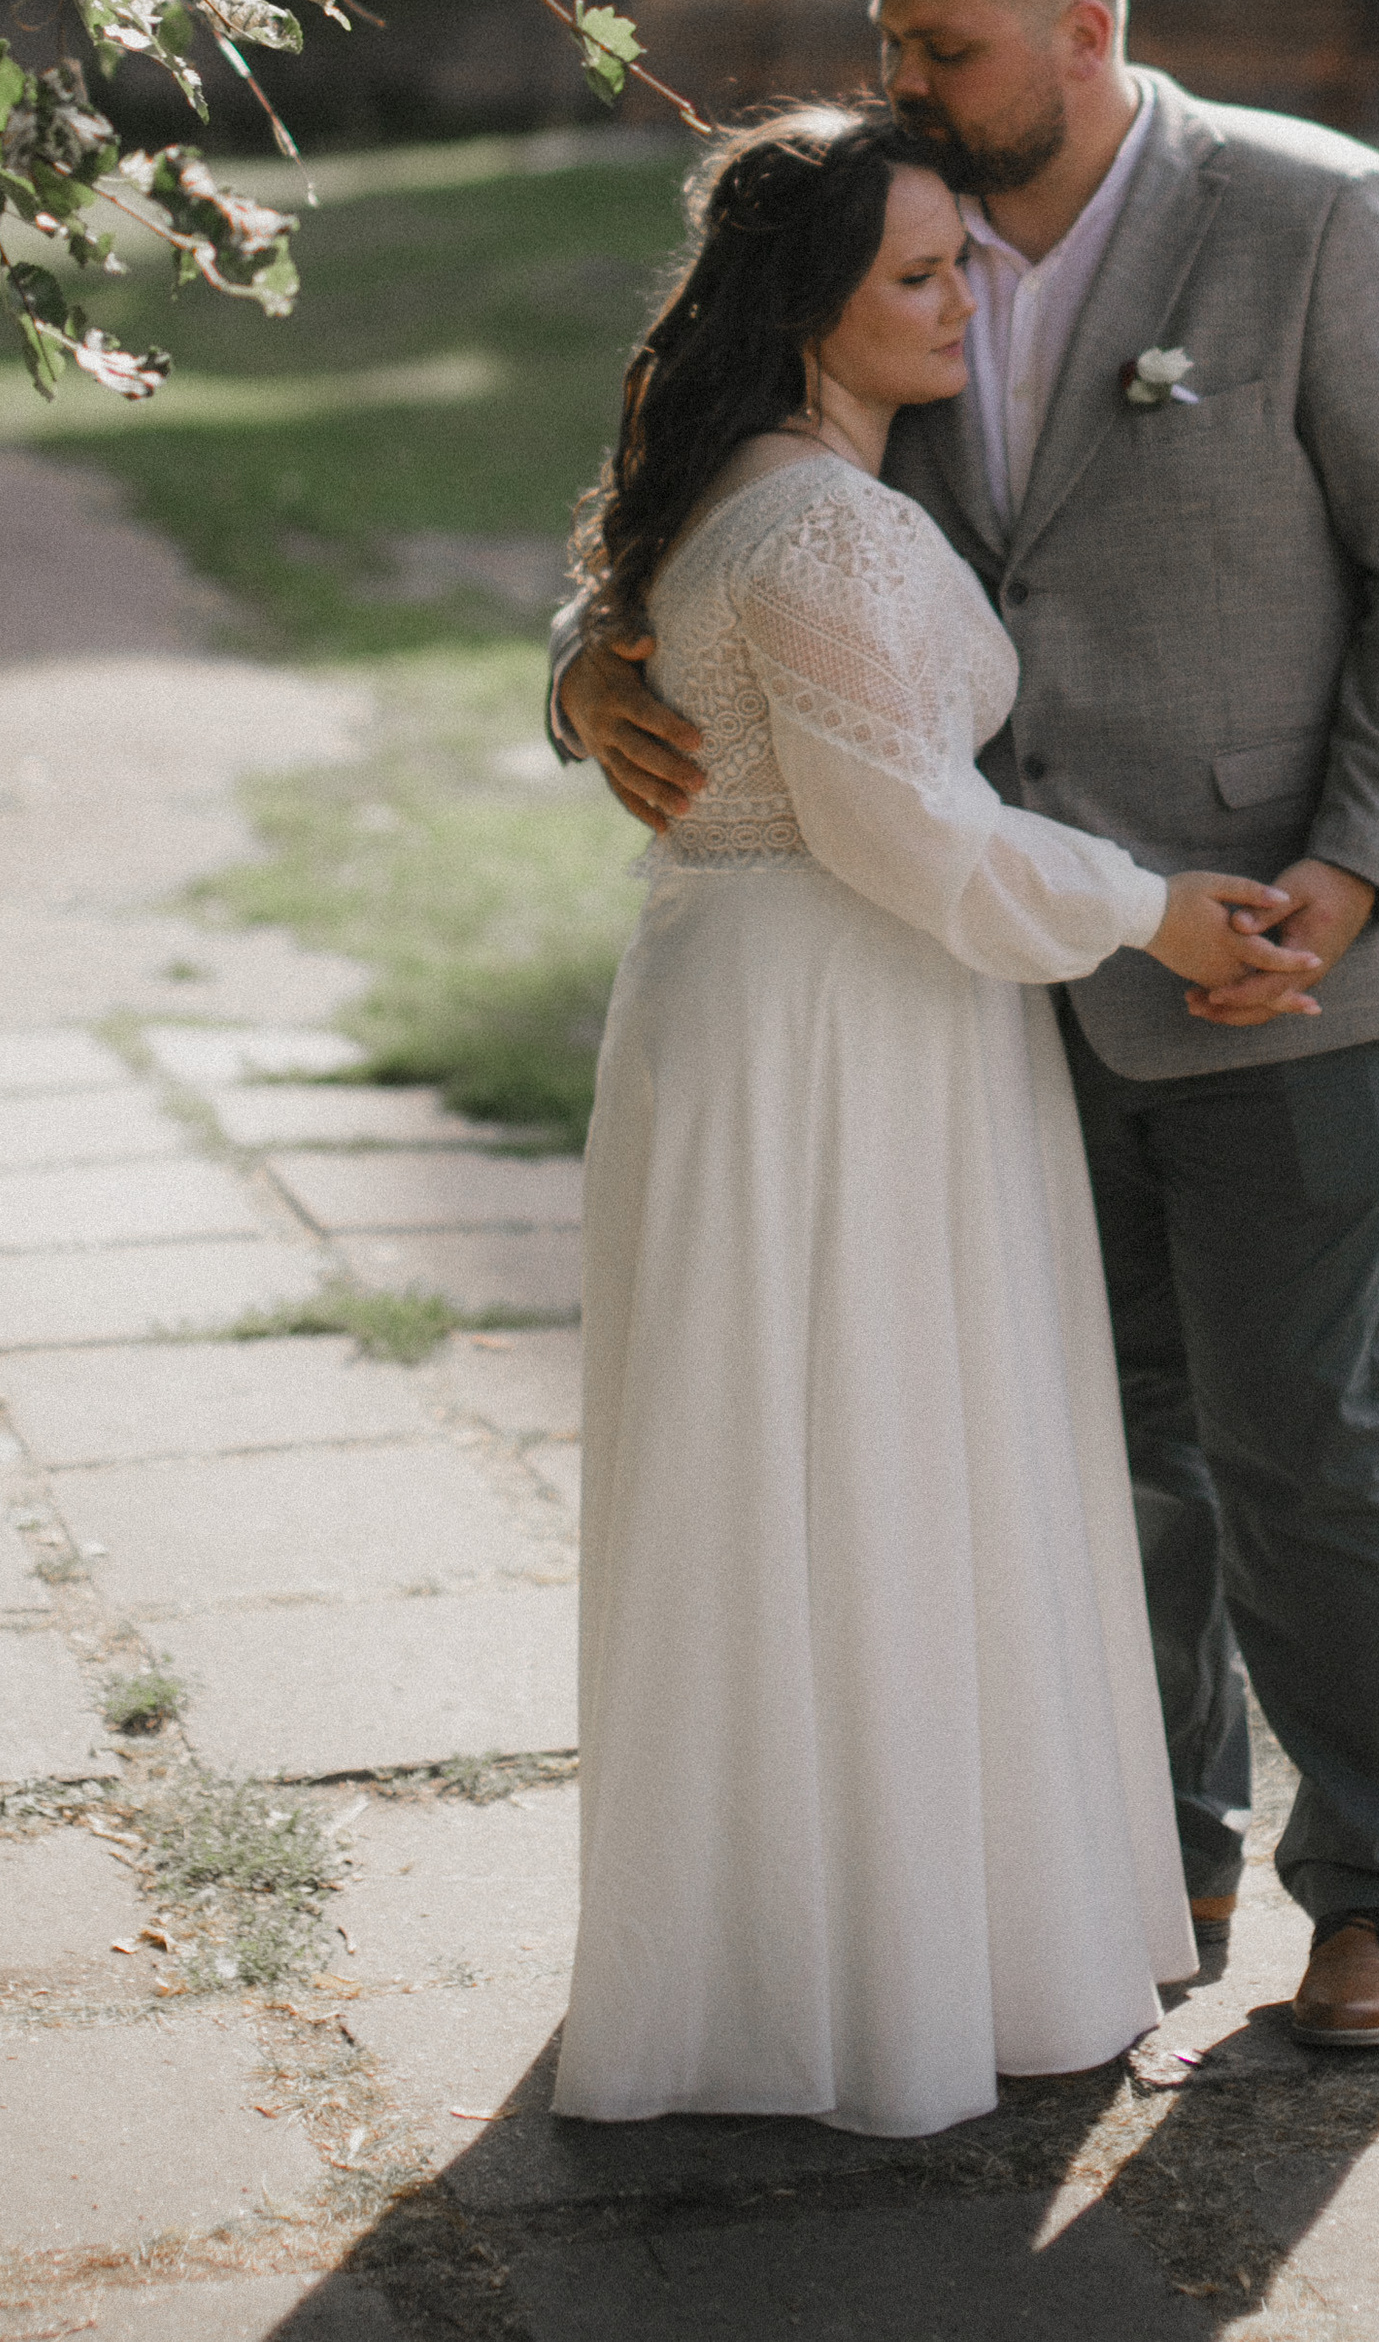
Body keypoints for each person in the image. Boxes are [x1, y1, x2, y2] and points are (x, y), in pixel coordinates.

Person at [557, 0, 1379, 2054]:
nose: (896, 72)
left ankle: (1376, 1882)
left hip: (1263, 948)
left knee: (1297, 1433)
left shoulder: (1308, 211)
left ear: (1081, 30)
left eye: (936, 41)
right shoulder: (889, 236)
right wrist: (589, 665)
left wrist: (1351, 882)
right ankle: (1137, 1844)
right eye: (887, 37)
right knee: (1087, 1434)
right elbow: (731, 491)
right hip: (977, 980)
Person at [552, 105, 1325, 2139]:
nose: (963, 294)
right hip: (833, 1028)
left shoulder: (779, 488)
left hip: (826, 1016)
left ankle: (820, 1943)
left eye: (961, 262)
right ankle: (852, 1981)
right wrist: (1153, 907)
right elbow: (913, 833)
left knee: (820, 1472)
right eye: (916, 276)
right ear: (812, 311)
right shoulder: (819, 527)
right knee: (858, 1465)